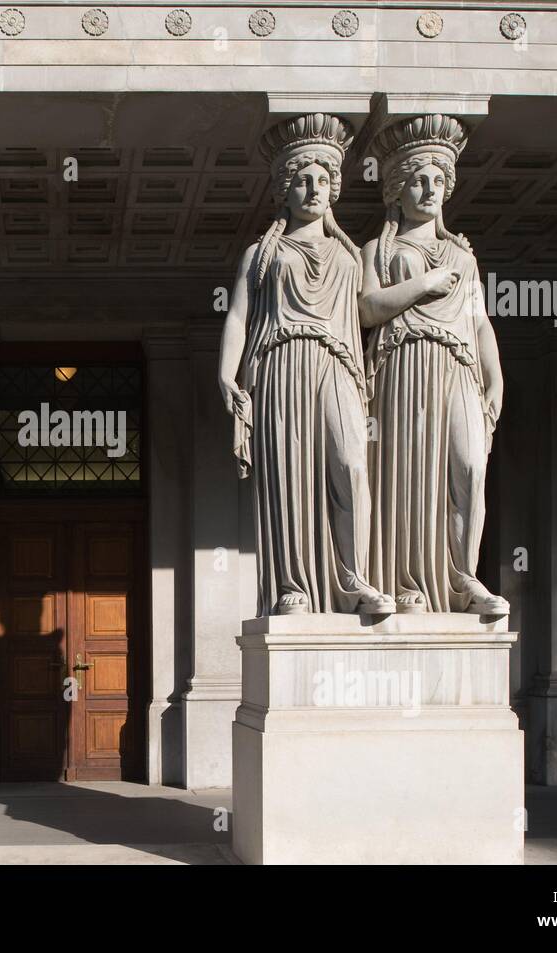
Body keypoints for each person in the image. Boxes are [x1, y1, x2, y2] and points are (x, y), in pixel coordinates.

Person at [218, 113, 394, 616]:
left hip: (338, 364)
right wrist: (226, 374)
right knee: (289, 475)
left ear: (335, 188)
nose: (313, 189)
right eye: (302, 180)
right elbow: (237, 316)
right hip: (280, 365)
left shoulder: (352, 253)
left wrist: (426, 284)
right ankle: (293, 584)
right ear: (285, 190)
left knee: (351, 464)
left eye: (322, 179)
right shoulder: (262, 253)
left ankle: (353, 578)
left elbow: (370, 308)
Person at [360, 113, 508, 615]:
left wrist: (495, 381)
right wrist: (423, 285)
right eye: (419, 180)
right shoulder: (375, 251)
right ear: (398, 189)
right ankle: (408, 582)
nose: (430, 189)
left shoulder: (462, 257)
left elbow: (481, 321)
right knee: (406, 473)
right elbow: (366, 308)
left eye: (438, 181)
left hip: (459, 366)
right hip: (403, 366)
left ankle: (463, 576)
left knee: (469, 467)